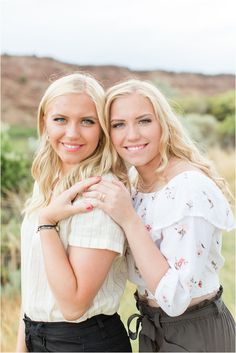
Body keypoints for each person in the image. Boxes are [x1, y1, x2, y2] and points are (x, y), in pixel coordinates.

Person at [82, 79, 235, 352]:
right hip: (153, 329)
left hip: (195, 333)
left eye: (144, 121)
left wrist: (129, 219)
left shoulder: (188, 189)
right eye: (118, 124)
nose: (132, 135)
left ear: (163, 123)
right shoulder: (132, 182)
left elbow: (174, 299)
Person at [16, 73, 132, 352]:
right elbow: (34, 284)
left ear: (102, 129)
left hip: (83, 343)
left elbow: (73, 305)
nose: (72, 133)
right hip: (37, 336)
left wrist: (46, 223)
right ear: (44, 121)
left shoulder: (100, 192)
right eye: (60, 119)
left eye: (87, 121)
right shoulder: (48, 180)